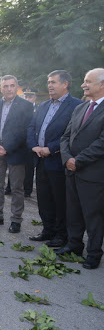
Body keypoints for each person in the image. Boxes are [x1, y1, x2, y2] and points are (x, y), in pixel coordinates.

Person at [27, 70, 81, 246]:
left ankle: (61, 235)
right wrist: (34, 146)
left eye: (53, 82)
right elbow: (32, 127)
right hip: (40, 160)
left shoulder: (76, 106)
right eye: (48, 82)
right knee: (43, 199)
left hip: (58, 162)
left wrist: (50, 148)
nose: (49, 85)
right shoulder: (43, 105)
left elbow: (72, 134)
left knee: (60, 200)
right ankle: (47, 230)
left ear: (65, 84)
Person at [57, 68, 104, 269]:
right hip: (72, 170)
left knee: (93, 215)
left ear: (102, 84)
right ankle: (74, 244)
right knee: (73, 211)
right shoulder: (80, 108)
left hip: (92, 174)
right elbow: (65, 137)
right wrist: (67, 158)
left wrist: (79, 160)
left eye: (88, 81)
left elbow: (102, 142)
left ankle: (94, 253)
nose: (83, 85)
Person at [0, 75, 34, 233]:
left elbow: (25, 130)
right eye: (6, 86)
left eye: (12, 86)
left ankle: (16, 220)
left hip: (16, 152)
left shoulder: (26, 105)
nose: (9, 89)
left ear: (17, 87)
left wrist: (7, 147)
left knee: (17, 188)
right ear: (1, 88)